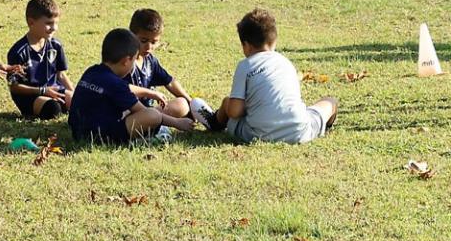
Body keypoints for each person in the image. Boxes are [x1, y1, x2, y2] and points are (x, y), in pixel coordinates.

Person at [190, 8, 337, 144]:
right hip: (299, 132)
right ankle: (326, 125)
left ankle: (214, 122)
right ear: (274, 40)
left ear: (246, 45)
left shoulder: (245, 65)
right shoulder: (286, 62)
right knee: (330, 102)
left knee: (228, 102)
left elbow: (234, 111)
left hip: (258, 134)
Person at [68, 28, 194, 145]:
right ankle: (143, 138)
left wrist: (150, 93)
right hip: (101, 136)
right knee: (153, 115)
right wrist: (177, 123)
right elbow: (143, 112)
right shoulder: (116, 84)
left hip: (78, 131)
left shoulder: (93, 71)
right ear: (126, 61)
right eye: (134, 61)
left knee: (178, 105)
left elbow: (125, 88)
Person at [123, 8, 201, 120]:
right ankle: (157, 123)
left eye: (154, 42)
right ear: (131, 35)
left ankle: (156, 120)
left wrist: (190, 102)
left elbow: (169, 82)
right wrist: (151, 93)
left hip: (149, 112)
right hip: (127, 114)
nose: (149, 47)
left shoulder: (150, 61)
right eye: (143, 41)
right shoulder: (124, 62)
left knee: (182, 104)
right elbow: (120, 88)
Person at [6, 0, 73, 119]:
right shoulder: (19, 52)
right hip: (32, 96)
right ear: (31, 22)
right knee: (53, 109)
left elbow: (61, 75)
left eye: (56, 23)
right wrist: (42, 91)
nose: (54, 28)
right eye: (48, 23)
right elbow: (14, 86)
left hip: (54, 91)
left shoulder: (55, 46)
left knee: (77, 103)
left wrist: (73, 93)